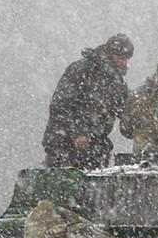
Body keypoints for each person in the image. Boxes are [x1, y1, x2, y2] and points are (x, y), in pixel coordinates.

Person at [42, 33, 133, 169]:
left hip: (94, 149)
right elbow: (61, 105)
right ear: (110, 54)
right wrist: (77, 132)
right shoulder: (83, 70)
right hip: (64, 145)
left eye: (126, 59)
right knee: (66, 185)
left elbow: (125, 108)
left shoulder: (116, 82)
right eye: (120, 58)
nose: (123, 63)